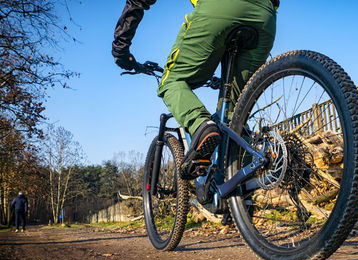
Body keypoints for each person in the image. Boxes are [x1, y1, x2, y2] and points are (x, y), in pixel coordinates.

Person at [112, 0, 278, 179]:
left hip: (220, 8)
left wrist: (121, 46)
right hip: (265, 16)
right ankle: (241, 192)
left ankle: (201, 124)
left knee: (172, 81)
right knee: (235, 115)